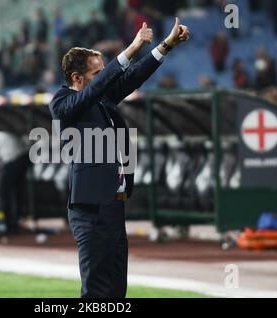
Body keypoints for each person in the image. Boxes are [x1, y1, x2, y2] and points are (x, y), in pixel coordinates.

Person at [48, 18, 190, 298]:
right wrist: (133, 46)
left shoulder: (101, 101)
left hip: (114, 206)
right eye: (97, 73)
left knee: (115, 290)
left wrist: (167, 45)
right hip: (89, 209)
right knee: (95, 291)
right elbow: (99, 87)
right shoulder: (63, 103)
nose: (105, 77)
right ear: (77, 78)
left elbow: (132, 77)